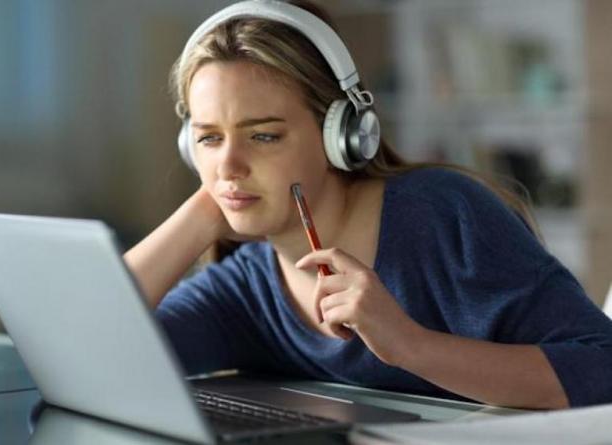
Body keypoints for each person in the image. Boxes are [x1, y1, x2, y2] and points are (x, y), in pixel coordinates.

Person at [124, 0, 612, 409]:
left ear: (342, 136)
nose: (230, 163)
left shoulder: (444, 218)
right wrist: (202, 214)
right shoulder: (246, 286)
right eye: (208, 139)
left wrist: (409, 345)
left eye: (264, 135)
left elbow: (601, 367)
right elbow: (87, 354)